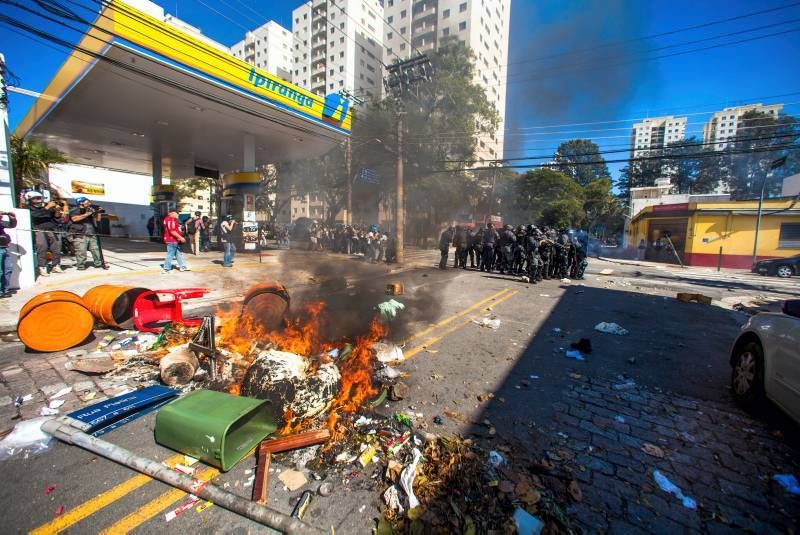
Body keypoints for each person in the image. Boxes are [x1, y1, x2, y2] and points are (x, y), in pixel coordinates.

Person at [26, 191, 63, 277]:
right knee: (42, 248)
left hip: (52, 229)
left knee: (57, 248)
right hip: (39, 230)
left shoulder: (45, 207)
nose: (39, 200)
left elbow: (57, 217)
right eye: (37, 198)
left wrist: (57, 210)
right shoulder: (28, 208)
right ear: (30, 199)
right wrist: (47, 207)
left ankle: (56, 265)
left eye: (40, 198)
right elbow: (35, 215)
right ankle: (42, 267)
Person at [69, 197, 107, 271]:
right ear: (81, 202)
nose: (90, 203)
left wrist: (98, 212)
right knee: (81, 251)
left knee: (96, 249)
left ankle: (98, 263)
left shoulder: (89, 210)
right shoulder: (74, 210)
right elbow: (74, 219)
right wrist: (87, 214)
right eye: (88, 201)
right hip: (80, 233)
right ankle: (81, 266)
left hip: (92, 233)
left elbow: (98, 219)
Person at [0, 211, 17, 297]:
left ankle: (5, 290)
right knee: (0, 271)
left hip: (4, 248)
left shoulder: (1, 222)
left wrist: (12, 219)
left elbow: (11, 225)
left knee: (8, 270)